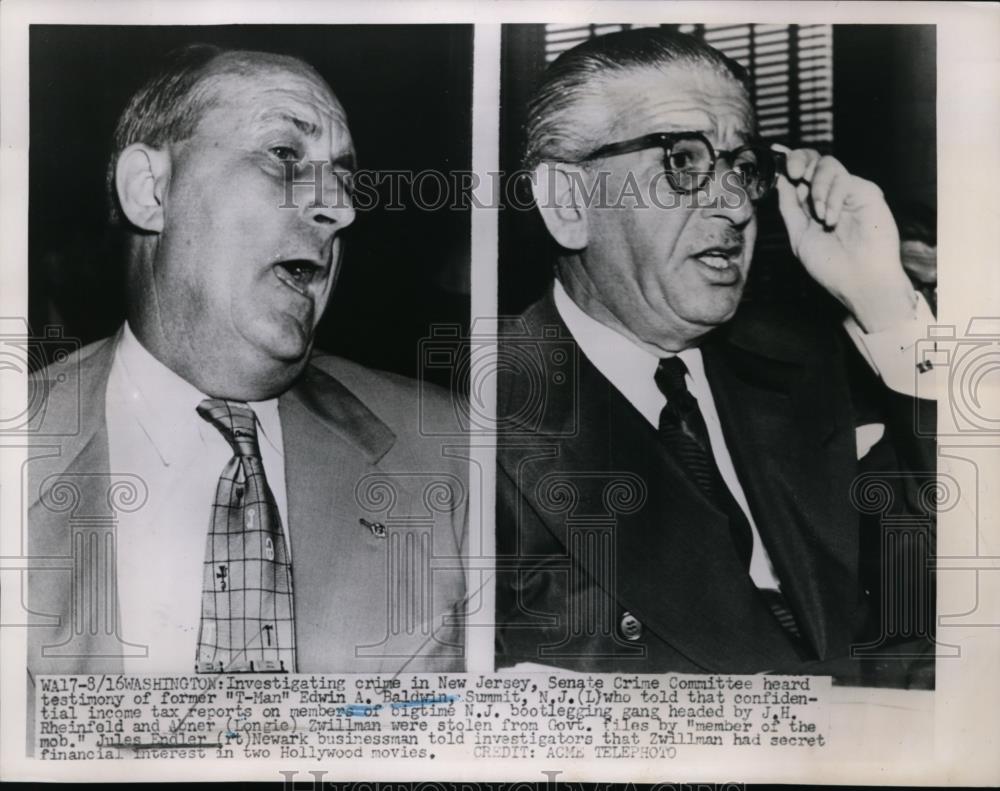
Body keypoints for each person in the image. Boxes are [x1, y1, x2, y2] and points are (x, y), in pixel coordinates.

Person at [495, 28, 938, 682]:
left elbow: (954, 591)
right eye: (683, 160)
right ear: (567, 202)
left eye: (742, 167)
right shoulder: (469, 417)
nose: (734, 204)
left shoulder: (813, 370)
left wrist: (885, 302)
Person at [27, 45, 467, 684]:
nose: (341, 207)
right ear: (151, 191)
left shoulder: (455, 450)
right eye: (285, 155)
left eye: (343, 174)